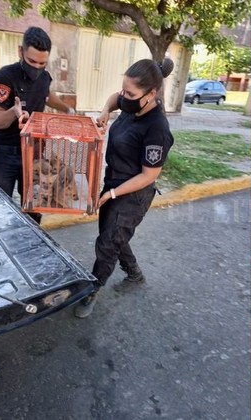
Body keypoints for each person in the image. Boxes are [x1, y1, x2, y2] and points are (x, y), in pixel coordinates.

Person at [74, 58, 175, 318]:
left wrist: (112, 194)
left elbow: (149, 175)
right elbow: (114, 99)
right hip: (114, 181)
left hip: (133, 194)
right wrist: (105, 112)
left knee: (108, 243)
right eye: (124, 90)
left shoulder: (157, 128)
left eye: (130, 94)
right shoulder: (132, 103)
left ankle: (92, 290)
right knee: (113, 235)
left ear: (150, 94)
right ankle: (135, 273)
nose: (124, 97)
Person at [0, 26, 75, 223]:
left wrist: (67, 109)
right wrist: (13, 112)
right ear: (21, 51)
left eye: (42, 63)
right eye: (32, 61)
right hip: (6, 153)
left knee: (34, 208)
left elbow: (47, 95)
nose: (37, 67)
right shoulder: (4, 77)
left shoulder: (44, 77)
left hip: (34, 154)